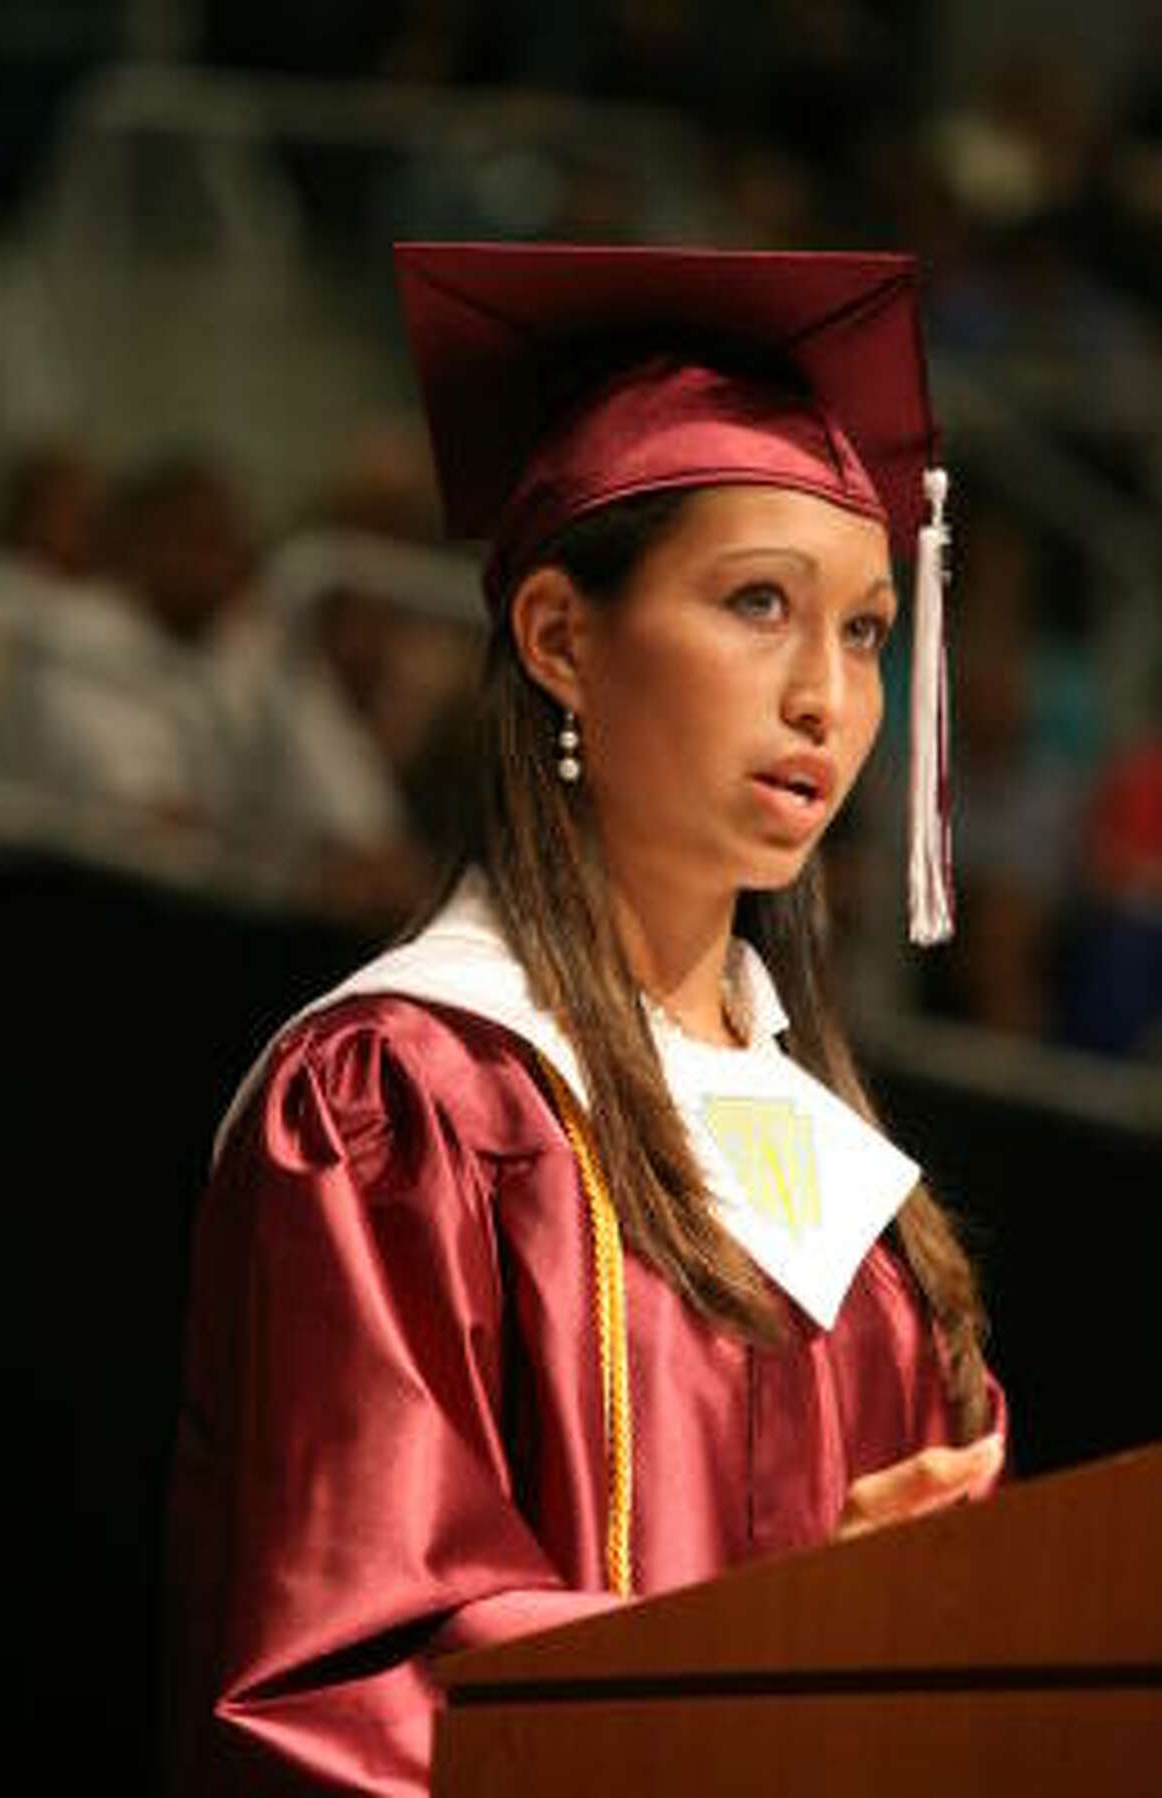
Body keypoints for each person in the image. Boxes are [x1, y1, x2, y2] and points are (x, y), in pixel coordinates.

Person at [165, 244, 1007, 1797]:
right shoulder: (404, 1104)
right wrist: (774, 1659)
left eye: (870, 631)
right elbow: (340, 1687)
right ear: (558, 636)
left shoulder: (862, 1228)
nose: (827, 695)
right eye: (760, 602)